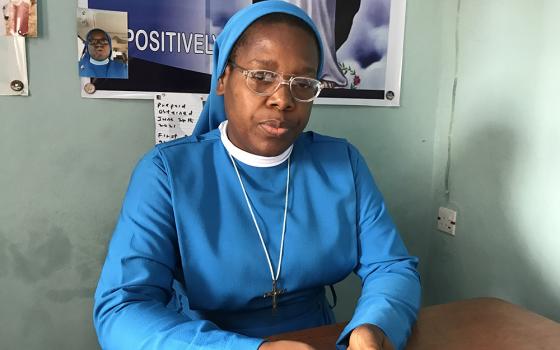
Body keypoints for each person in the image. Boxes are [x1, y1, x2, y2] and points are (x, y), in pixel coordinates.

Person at [93, 2, 420, 350]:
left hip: (318, 339)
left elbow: (392, 267)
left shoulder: (342, 163)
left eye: (303, 82)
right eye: (262, 76)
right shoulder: (166, 173)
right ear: (223, 78)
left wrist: (375, 325)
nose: (283, 99)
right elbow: (122, 308)